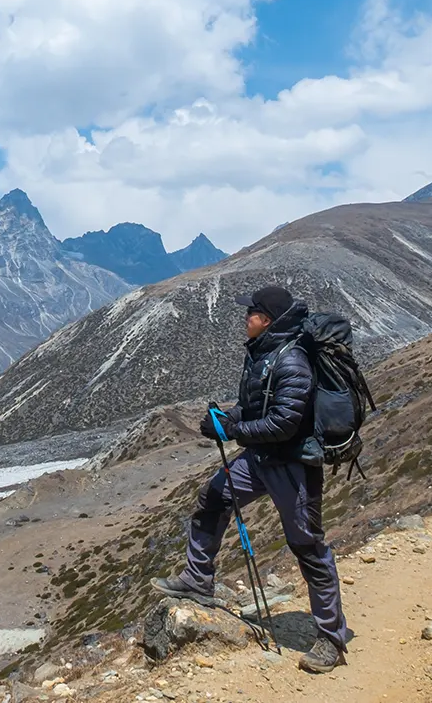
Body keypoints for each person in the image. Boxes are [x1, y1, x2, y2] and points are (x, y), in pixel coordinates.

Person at [150, 285, 353, 674]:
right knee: (212, 498)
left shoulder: (291, 360)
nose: (246, 318)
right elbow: (255, 404)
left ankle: (331, 638)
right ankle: (197, 579)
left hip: (292, 467)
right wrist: (227, 418)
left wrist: (232, 430)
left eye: (252, 313)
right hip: (261, 458)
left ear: (268, 319)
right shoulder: (263, 353)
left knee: (308, 547)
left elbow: (284, 423)